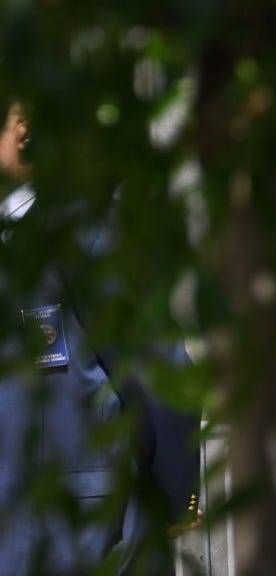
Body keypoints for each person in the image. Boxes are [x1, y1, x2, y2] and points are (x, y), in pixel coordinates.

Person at [0, 102, 200, 575]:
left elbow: (164, 380)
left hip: (92, 538)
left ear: (22, 130)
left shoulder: (89, 231)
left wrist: (171, 502)